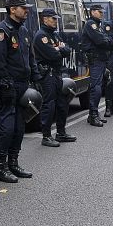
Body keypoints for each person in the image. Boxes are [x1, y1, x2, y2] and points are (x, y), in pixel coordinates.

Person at [0, 0, 40, 182]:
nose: (26, 10)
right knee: (6, 127)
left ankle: (13, 163)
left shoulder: (23, 31)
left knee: (19, 127)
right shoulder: (1, 31)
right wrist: (6, 83)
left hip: (23, 85)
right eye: (23, 8)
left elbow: (30, 57)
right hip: (8, 86)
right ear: (12, 10)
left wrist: (36, 78)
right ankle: (1, 168)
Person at [33, 8, 77, 146]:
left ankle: (61, 133)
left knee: (62, 103)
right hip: (47, 74)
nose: (56, 21)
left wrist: (60, 48)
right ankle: (46, 136)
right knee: (49, 105)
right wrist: (59, 49)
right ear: (45, 19)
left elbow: (67, 49)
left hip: (56, 73)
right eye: (53, 19)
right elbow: (53, 55)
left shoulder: (54, 35)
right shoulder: (41, 36)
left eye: (56, 19)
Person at [81, 4, 111, 126]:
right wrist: (107, 40)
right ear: (93, 12)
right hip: (96, 60)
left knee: (100, 86)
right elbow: (101, 40)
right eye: (99, 12)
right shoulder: (90, 24)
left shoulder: (98, 25)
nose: (102, 14)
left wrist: (107, 40)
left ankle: (93, 114)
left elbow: (108, 39)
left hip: (101, 59)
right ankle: (93, 115)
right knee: (96, 88)